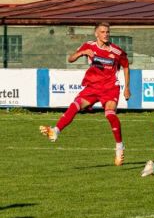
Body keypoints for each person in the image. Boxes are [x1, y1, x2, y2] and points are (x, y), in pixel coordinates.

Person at [39, 22, 131, 166]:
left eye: (107, 32)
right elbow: (70, 59)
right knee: (75, 105)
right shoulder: (88, 46)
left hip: (110, 87)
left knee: (110, 114)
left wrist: (127, 87)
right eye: (102, 32)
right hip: (93, 86)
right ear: (96, 34)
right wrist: (81, 53)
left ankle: (119, 146)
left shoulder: (117, 51)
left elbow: (126, 66)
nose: (106, 34)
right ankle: (56, 130)